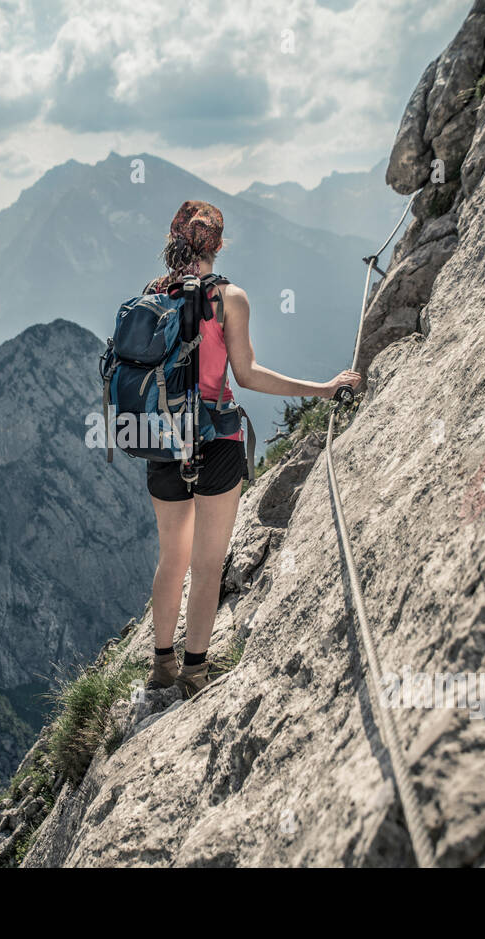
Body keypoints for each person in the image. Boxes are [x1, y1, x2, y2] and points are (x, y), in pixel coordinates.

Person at [143, 200, 362, 698]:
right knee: (207, 564)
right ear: (217, 245)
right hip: (216, 440)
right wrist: (324, 389)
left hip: (161, 443)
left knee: (170, 559)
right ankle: (194, 673)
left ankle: (160, 666)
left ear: (173, 237)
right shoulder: (229, 299)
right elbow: (246, 375)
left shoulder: (153, 296)